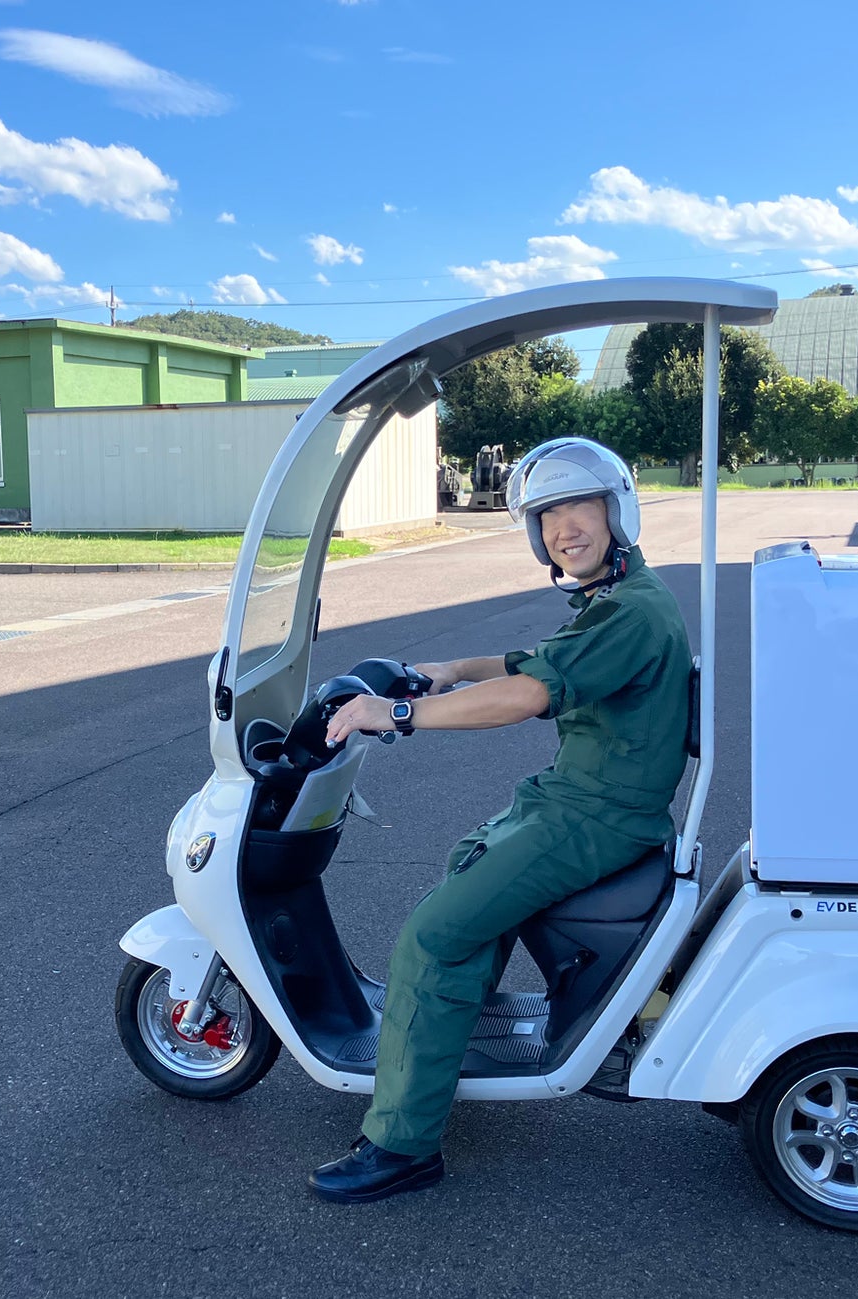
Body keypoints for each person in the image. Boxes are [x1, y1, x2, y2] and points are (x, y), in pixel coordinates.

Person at [307, 438, 694, 1205]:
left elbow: (528, 694)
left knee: (433, 934)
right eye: (547, 515)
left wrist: (399, 712)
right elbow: (536, 661)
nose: (563, 527)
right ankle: (442, 1045)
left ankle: (402, 1144)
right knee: (469, 861)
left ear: (616, 510)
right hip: (576, 800)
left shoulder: (631, 612)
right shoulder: (618, 600)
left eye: (578, 506)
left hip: (598, 816)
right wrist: (454, 669)